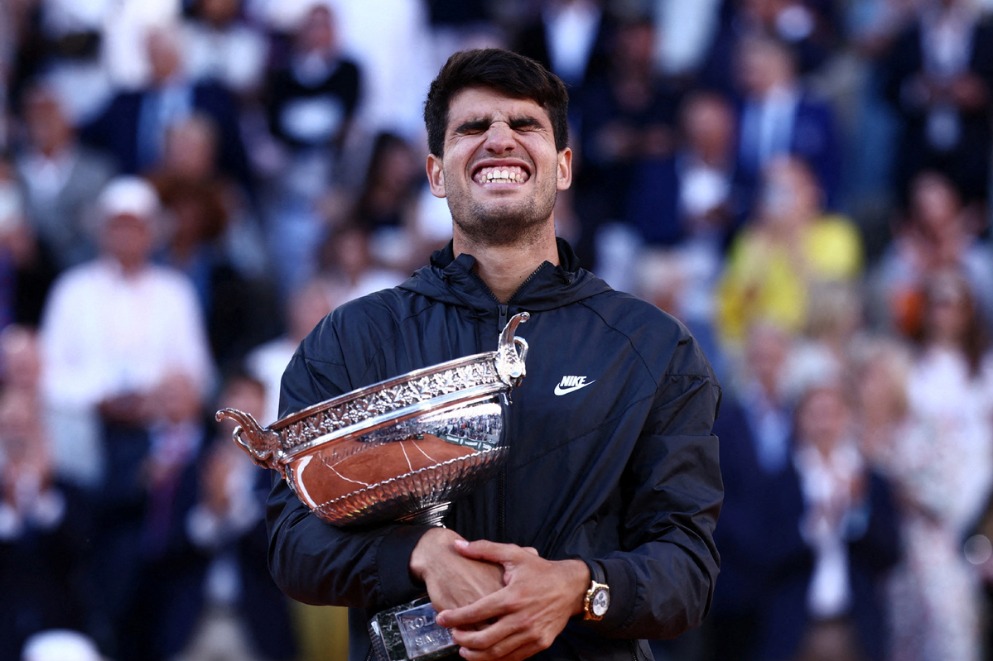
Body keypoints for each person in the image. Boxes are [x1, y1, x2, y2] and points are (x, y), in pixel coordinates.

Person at [265, 48, 723, 660]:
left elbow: (688, 567)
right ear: (435, 174)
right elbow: (292, 543)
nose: (500, 139)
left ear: (563, 167)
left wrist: (581, 588)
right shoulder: (351, 339)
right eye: (473, 127)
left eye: (525, 125)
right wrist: (418, 554)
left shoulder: (651, 346)